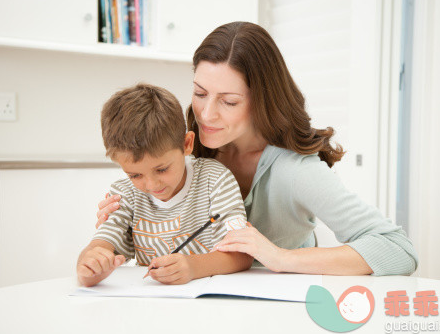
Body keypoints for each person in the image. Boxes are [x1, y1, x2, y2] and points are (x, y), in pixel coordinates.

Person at [96, 22, 418, 276]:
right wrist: (124, 230)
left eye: (229, 101)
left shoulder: (295, 171)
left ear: (262, 99)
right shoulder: (185, 152)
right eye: (200, 93)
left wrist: (280, 258)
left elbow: (398, 249)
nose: (206, 115)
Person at [77, 83, 252, 287]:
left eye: (161, 169)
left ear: (187, 144)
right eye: (135, 175)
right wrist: (91, 266)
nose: (151, 185)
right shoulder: (124, 194)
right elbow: (100, 245)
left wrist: (193, 267)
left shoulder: (215, 180)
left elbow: (243, 254)